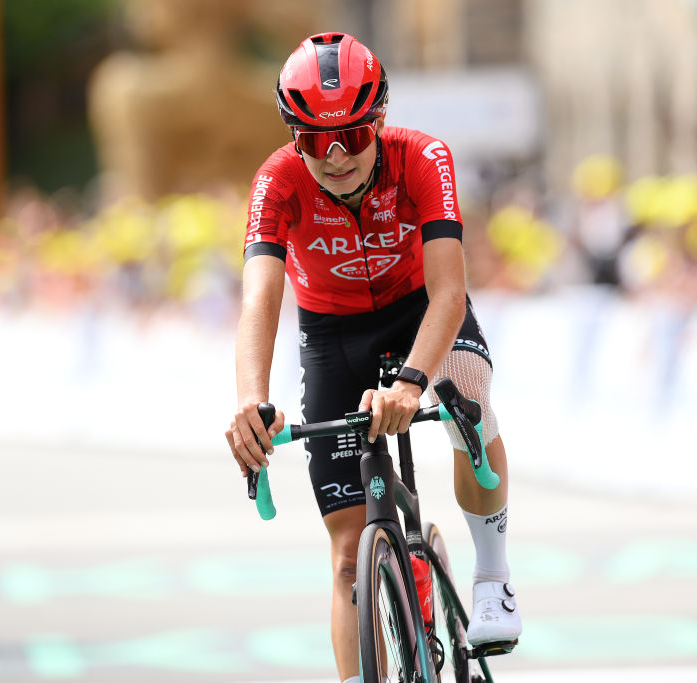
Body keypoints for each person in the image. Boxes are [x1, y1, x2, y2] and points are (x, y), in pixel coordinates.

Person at [224, 33, 521, 682]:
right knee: (346, 558)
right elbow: (259, 301)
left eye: (352, 138)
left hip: (421, 310)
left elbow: (449, 289)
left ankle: (493, 575)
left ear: (379, 124)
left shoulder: (423, 157)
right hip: (333, 337)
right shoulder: (275, 182)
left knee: (465, 395)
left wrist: (415, 383)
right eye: (311, 141)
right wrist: (251, 397)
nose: (333, 157)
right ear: (292, 137)